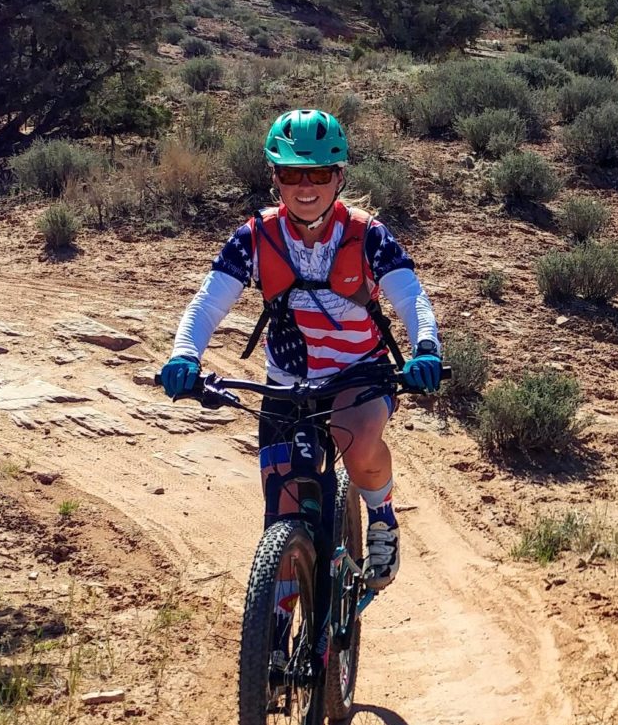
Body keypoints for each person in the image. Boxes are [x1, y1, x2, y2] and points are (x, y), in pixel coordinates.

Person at [155, 109, 441, 589]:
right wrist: (185, 355)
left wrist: (426, 348)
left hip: (359, 373)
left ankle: (382, 516)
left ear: (339, 176)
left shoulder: (367, 234)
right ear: (275, 177)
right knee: (281, 504)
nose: (305, 186)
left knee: (354, 435)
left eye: (319, 173)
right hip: (288, 381)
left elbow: (411, 296)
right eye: (291, 173)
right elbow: (207, 303)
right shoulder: (256, 236)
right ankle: (277, 628)